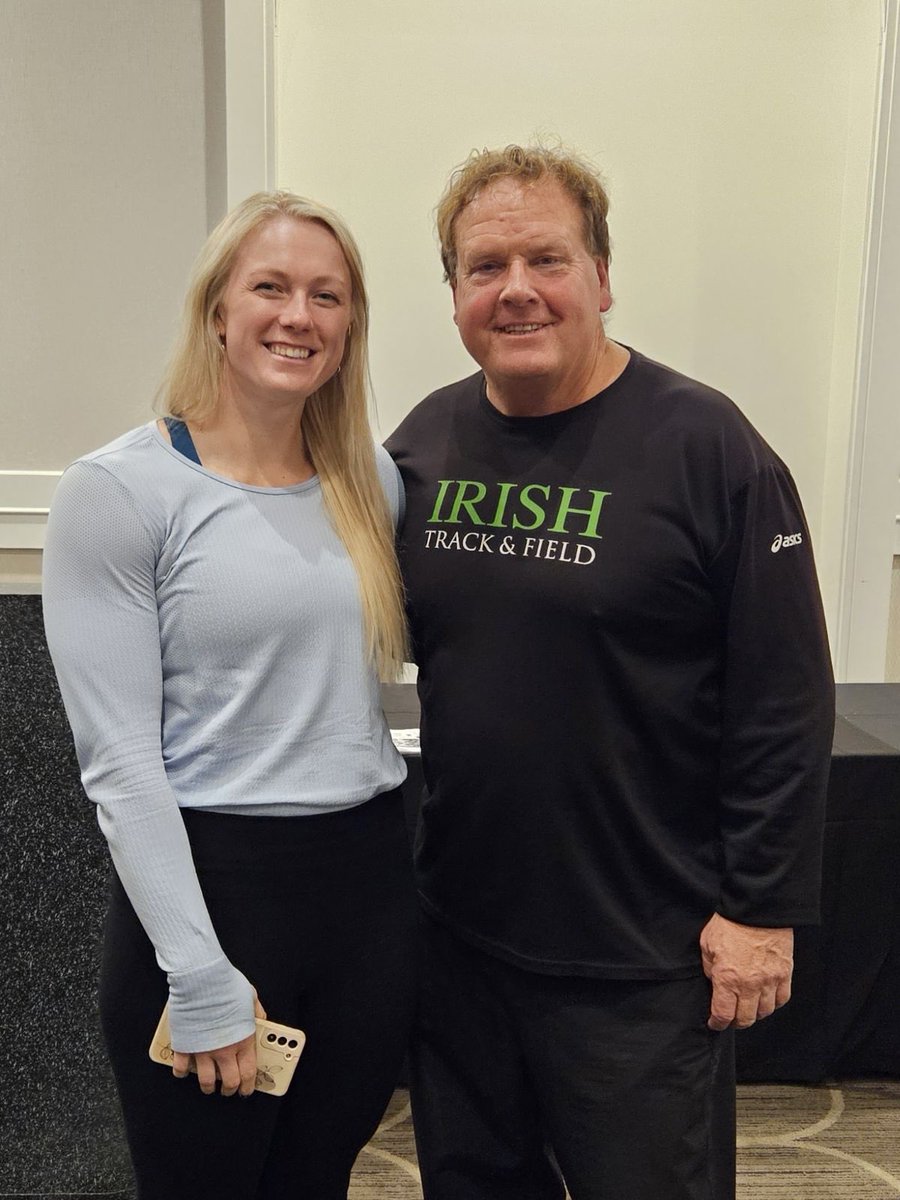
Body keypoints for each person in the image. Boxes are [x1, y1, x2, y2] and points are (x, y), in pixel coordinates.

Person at [386, 145, 835, 1200]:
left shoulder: (707, 446)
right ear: (452, 292)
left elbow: (784, 697)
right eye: (485, 267)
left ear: (601, 276)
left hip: (644, 959)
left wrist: (762, 909)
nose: (518, 290)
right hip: (463, 940)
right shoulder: (422, 445)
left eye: (547, 258)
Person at [42, 191, 416, 1199]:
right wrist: (199, 973)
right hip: (215, 891)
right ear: (216, 309)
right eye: (271, 287)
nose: (299, 315)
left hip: (368, 888)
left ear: (349, 326)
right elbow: (119, 761)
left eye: (326, 296)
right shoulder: (119, 492)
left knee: (315, 1180)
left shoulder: (367, 482)